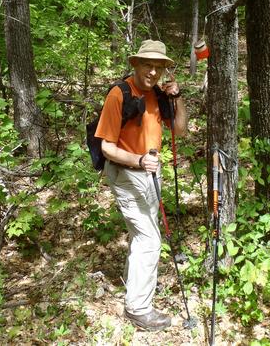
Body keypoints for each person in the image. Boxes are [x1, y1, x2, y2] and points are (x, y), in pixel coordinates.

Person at [95, 39, 187, 331]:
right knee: (150, 239)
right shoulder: (119, 94)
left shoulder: (157, 95)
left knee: (145, 234)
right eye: (148, 65)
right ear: (134, 64)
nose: (153, 72)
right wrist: (138, 161)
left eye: (158, 67)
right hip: (126, 172)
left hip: (148, 171)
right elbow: (107, 147)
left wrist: (177, 97)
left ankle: (134, 286)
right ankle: (138, 308)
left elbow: (180, 130)